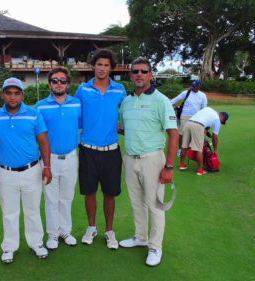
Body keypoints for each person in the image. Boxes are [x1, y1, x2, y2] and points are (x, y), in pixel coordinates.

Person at [118, 57, 178, 267]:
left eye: (143, 71)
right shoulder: (126, 101)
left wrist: (169, 166)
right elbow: (125, 129)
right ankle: (141, 237)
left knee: (155, 205)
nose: (139, 75)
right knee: (136, 203)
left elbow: (173, 134)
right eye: (135, 71)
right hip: (130, 158)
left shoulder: (161, 100)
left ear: (150, 75)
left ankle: (155, 246)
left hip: (152, 159)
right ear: (131, 75)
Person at [0, 77, 52, 264]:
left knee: (32, 210)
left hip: (31, 169)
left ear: (22, 95)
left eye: (16, 93)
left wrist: (47, 166)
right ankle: (9, 247)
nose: (12, 97)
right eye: (8, 93)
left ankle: (36, 243)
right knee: (9, 212)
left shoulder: (33, 114)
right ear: (3, 95)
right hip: (6, 172)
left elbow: (43, 142)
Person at [74, 48, 127, 250]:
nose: (102, 68)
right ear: (93, 66)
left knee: (109, 193)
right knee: (89, 192)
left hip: (111, 151)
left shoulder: (120, 90)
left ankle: (109, 231)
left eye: (106, 65)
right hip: (88, 150)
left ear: (111, 68)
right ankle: (92, 227)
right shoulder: (83, 90)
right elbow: (75, 118)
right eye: (99, 64)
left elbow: (125, 116)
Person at [34, 67, 81, 250]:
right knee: (51, 199)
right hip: (49, 160)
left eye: (62, 80)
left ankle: (65, 232)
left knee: (67, 198)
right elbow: (34, 134)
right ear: (49, 83)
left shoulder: (76, 103)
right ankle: (52, 234)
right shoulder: (40, 106)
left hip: (71, 157)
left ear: (68, 84)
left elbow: (83, 125)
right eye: (55, 80)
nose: (59, 84)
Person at [179, 107, 229, 175]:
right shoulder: (217, 120)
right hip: (198, 126)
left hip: (188, 123)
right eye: (222, 121)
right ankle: (200, 170)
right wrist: (215, 150)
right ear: (222, 117)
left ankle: (181, 165)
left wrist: (205, 130)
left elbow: (203, 119)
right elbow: (215, 137)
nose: (221, 122)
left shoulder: (209, 109)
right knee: (199, 149)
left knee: (184, 146)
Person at [171, 80, 207, 156]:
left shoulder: (203, 95)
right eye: (192, 86)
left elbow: (204, 108)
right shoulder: (186, 92)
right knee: (182, 133)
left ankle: (192, 149)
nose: (193, 87)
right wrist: (167, 105)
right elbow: (175, 99)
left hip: (196, 117)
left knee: (194, 133)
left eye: (195, 86)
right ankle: (180, 149)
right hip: (185, 115)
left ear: (199, 87)